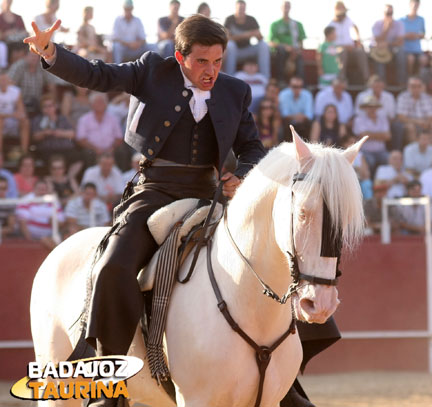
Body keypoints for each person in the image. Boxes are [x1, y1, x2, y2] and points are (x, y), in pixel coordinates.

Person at [25, 14, 277, 407]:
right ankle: (106, 374)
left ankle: (289, 382)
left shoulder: (236, 91)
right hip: (156, 190)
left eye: (218, 61)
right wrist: (50, 52)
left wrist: (241, 174)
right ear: (180, 56)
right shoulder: (151, 71)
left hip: (210, 195)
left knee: (275, 259)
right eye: (202, 62)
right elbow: (98, 75)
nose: (211, 71)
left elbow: (252, 148)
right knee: (113, 267)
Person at [224, 0, 270, 79]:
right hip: (234, 52)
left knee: (264, 45)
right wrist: (246, 35)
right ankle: (229, 77)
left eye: (243, 8)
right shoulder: (229, 19)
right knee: (230, 45)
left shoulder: (251, 19)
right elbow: (226, 38)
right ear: (235, 8)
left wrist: (257, 34)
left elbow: (261, 38)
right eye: (239, 8)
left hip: (248, 50)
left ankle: (265, 79)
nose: (241, 11)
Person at [31, 94, 79, 168]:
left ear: (55, 106)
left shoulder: (63, 119)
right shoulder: (37, 120)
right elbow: (35, 137)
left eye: (50, 106)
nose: (48, 109)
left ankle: (70, 177)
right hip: (48, 150)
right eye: (45, 106)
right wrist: (45, 133)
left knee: (79, 157)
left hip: (65, 149)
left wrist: (59, 133)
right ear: (41, 109)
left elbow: (72, 134)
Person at [15, 177, 64, 250]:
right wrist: (31, 241)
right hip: (32, 238)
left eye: (44, 189)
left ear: (47, 190)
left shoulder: (53, 201)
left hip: (51, 237)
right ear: (34, 189)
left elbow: (62, 222)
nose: (42, 191)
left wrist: (53, 221)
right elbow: (22, 223)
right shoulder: (25, 200)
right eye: (39, 189)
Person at [76, 92, 124, 166]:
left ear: (106, 104)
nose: (100, 104)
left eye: (102, 101)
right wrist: (95, 149)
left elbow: (119, 137)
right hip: (92, 150)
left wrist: (111, 149)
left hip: (111, 149)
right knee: (86, 153)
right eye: (97, 102)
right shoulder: (84, 119)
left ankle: (121, 176)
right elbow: (81, 139)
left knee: (122, 152)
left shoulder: (113, 119)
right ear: (91, 104)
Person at [328, 1, 368, 85]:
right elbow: (330, 44)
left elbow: (355, 26)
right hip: (338, 50)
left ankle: (366, 79)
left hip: (351, 49)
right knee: (342, 52)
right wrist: (345, 47)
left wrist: (358, 39)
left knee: (361, 51)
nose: (344, 14)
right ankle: (341, 79)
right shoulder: (331, 25)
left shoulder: (347, 20)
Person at [8, 51, 55, 117]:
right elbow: (10, 86)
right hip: (20, 103)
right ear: (26, 57)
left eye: (36, 56)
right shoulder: (18, 66)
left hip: (37, 102)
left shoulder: (42, 67)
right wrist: (18, 103)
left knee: (49, 107)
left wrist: (50, 98)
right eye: (31, 56)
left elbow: (51, 84)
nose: (34, 58)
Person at [268, 1, 306, 84]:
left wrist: (295, 53)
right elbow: (270, 42)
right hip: (280, 53)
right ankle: (280, 81)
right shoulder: (275, 24)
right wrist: (285, 47)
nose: (286, 8)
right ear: (281, 8)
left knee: (300, 58)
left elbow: (301, 42)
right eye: (284, 6)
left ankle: (301, 83)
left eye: (288, 6)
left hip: (295, 52)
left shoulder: (297, 24)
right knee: (280, 51)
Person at [370, 4, 406, 87]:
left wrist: (387, 43)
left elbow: (400, 41)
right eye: (387, 13)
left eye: (391, 13)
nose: (389, 15)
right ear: (383, 13)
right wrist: (386, 27)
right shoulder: (377, 24)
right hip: (379, 48)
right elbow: (378, 40)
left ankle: (401, 83)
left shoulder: (399, 24)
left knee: (401, 52)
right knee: (379, 55)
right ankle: (381, 83)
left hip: (392, 47)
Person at [352, 94, 389, 174]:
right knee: (370, 161)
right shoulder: (359, 119)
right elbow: (363, 136)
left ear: (377, 108)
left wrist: (370, 134)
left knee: (389, 159)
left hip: (381, 151)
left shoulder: (383, 118)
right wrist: (381, 135)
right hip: (365, 151)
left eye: (374, 106)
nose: (372, 109)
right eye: (369, 107)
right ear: (365, 108)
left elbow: (388, 136)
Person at [396, 76, 432, 144]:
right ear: (408, 86)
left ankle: (431, 150)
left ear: (422, 87)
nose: (416, 88)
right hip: (410, 123)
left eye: (419, 86)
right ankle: (416, 150)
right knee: (411, 127)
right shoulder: (403, 97)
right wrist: (417, 122)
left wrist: (427, 122)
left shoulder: (426, 97)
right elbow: (401, 117)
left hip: (425, 123)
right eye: (413, 86)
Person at [0, 71, 29, 155]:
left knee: (25, 122)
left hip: (12, 121)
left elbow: (21, 110)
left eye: (5, 80)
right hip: (2, 121)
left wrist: (19, 115)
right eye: (1, 80)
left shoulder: (15, 91)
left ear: (9, 80)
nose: (3, 82)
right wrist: (11, 115)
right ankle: (0, 154)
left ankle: (24, 153)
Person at [278, 76, 313, 141]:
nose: (297, 89)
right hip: (288, 123)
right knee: (284, 124)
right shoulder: (283, 94)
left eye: (300, 87)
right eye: (294, 86)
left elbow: (309, 114)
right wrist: (296, 117)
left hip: (303, 123)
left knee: (309, 124)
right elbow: (284, 114)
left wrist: (300, 117)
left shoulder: (307, 95)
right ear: (289, 86)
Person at [400, 0, 425, 76]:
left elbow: (423, 34)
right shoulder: (401, 20)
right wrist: (407, 35)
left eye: (416, 5)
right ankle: (409, 77)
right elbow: (398, 35)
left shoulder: (421, 20)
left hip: (417, 50)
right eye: (413, 5)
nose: (415, 7)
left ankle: (420, 78)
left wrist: (416, 36)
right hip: (406, 49)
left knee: (423, 59)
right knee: (411, 59)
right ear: (410, 5)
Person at [0, 0, 28, 64]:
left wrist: (18, 32)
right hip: (7, 45)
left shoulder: (18, 17)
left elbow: (25, 32)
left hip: (20, 43)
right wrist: (7, 33)